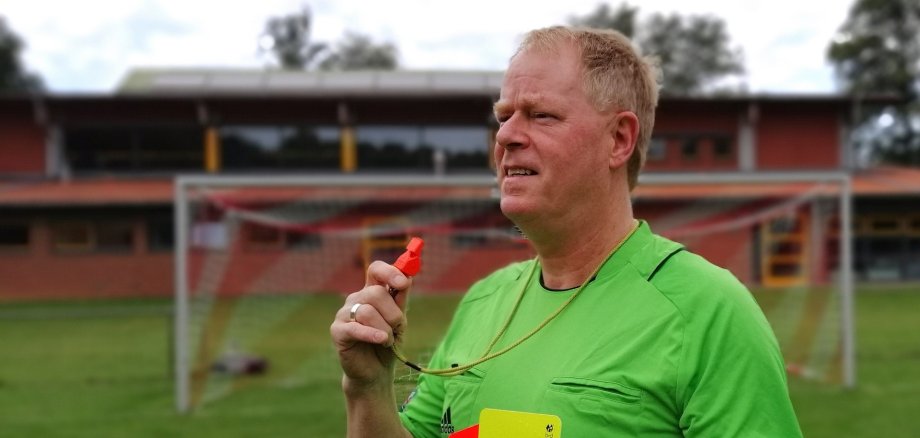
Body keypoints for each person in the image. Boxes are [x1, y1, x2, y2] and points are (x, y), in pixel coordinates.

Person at [330, 26, 802, 437]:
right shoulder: (483, 300)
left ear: (618, 139)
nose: (506, 135)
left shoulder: (708, 311)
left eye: (541, 115)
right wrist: (367, 388)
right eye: (503, 116)